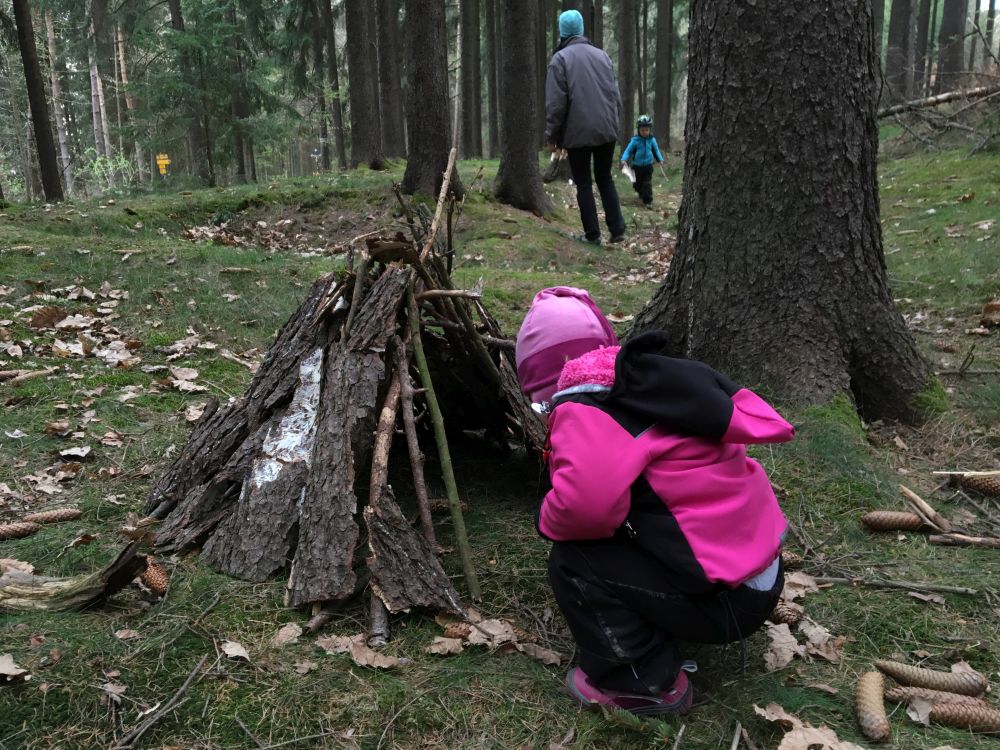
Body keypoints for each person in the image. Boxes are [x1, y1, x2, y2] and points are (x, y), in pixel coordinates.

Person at [515, 286, 795, 715]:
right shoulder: (650, 387)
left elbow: (583, 507)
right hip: (763, 575)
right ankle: (669, 614)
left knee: (575, 560)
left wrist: (546, 516)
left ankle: (640, 681)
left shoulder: (585, 408)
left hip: (727, 603)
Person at [545, 10, 626, 246]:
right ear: (580, 30)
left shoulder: (559, 60)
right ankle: (617, 228)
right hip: (606, 129)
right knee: (605, 178)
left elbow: (555, 104)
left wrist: (552, 136)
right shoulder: (602, 56)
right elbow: (615, 96)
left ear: (562, 32)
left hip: (577, 133)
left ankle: (593, 235)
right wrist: (614, 124)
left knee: (583, 183)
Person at [620, 115, 664, 209]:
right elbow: (628, 150)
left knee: (647, 183)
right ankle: (641, 193)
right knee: (636, 184)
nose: (645, 132)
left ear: (650, 130)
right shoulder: (635, 141)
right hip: (636, 167)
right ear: (639, 130)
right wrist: (624, 159)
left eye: (646, 130)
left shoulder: (652, 140)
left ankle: (648, 201)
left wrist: (660, 159)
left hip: (648, 166)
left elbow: (656, 150)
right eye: (642, 130)